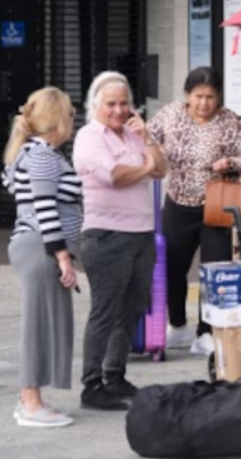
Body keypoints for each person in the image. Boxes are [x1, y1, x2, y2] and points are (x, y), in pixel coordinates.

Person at [73, 71, 166, 411]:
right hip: (107, 235)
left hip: (141, 232)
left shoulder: (134, 133)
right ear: (96, 105)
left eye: (124, 102)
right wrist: (145, 167)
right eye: (111, 103)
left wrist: (149, 141)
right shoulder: (88, 136)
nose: (118, 109)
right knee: (106, 311)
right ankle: (92, 384)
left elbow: (162, 170)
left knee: (132, 307)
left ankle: (115, 374)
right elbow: (112, 176)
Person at [147, 66, 241, 356]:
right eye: (198, 96)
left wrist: (230, 162)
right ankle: (178, 325)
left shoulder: (231, 121)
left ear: (219, 96)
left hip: (216, 207)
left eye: (210, 97)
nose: (204, 103)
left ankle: (206, 331)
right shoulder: (171, 114)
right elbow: (145, 137)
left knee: (214, 271)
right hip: (178, 204)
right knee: (172, 268)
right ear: (187, 95)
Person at [2, 88, 81, 428]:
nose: (74, 122)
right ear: (58, 118)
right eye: (71, 114)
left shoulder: (29, 152)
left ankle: (31, 399)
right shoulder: (43, 155)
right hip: (40, 246)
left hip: (36, 245)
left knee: (45, 322)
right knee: (37, 324)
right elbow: (44, 208)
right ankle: (30, 402)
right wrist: (63, 256)